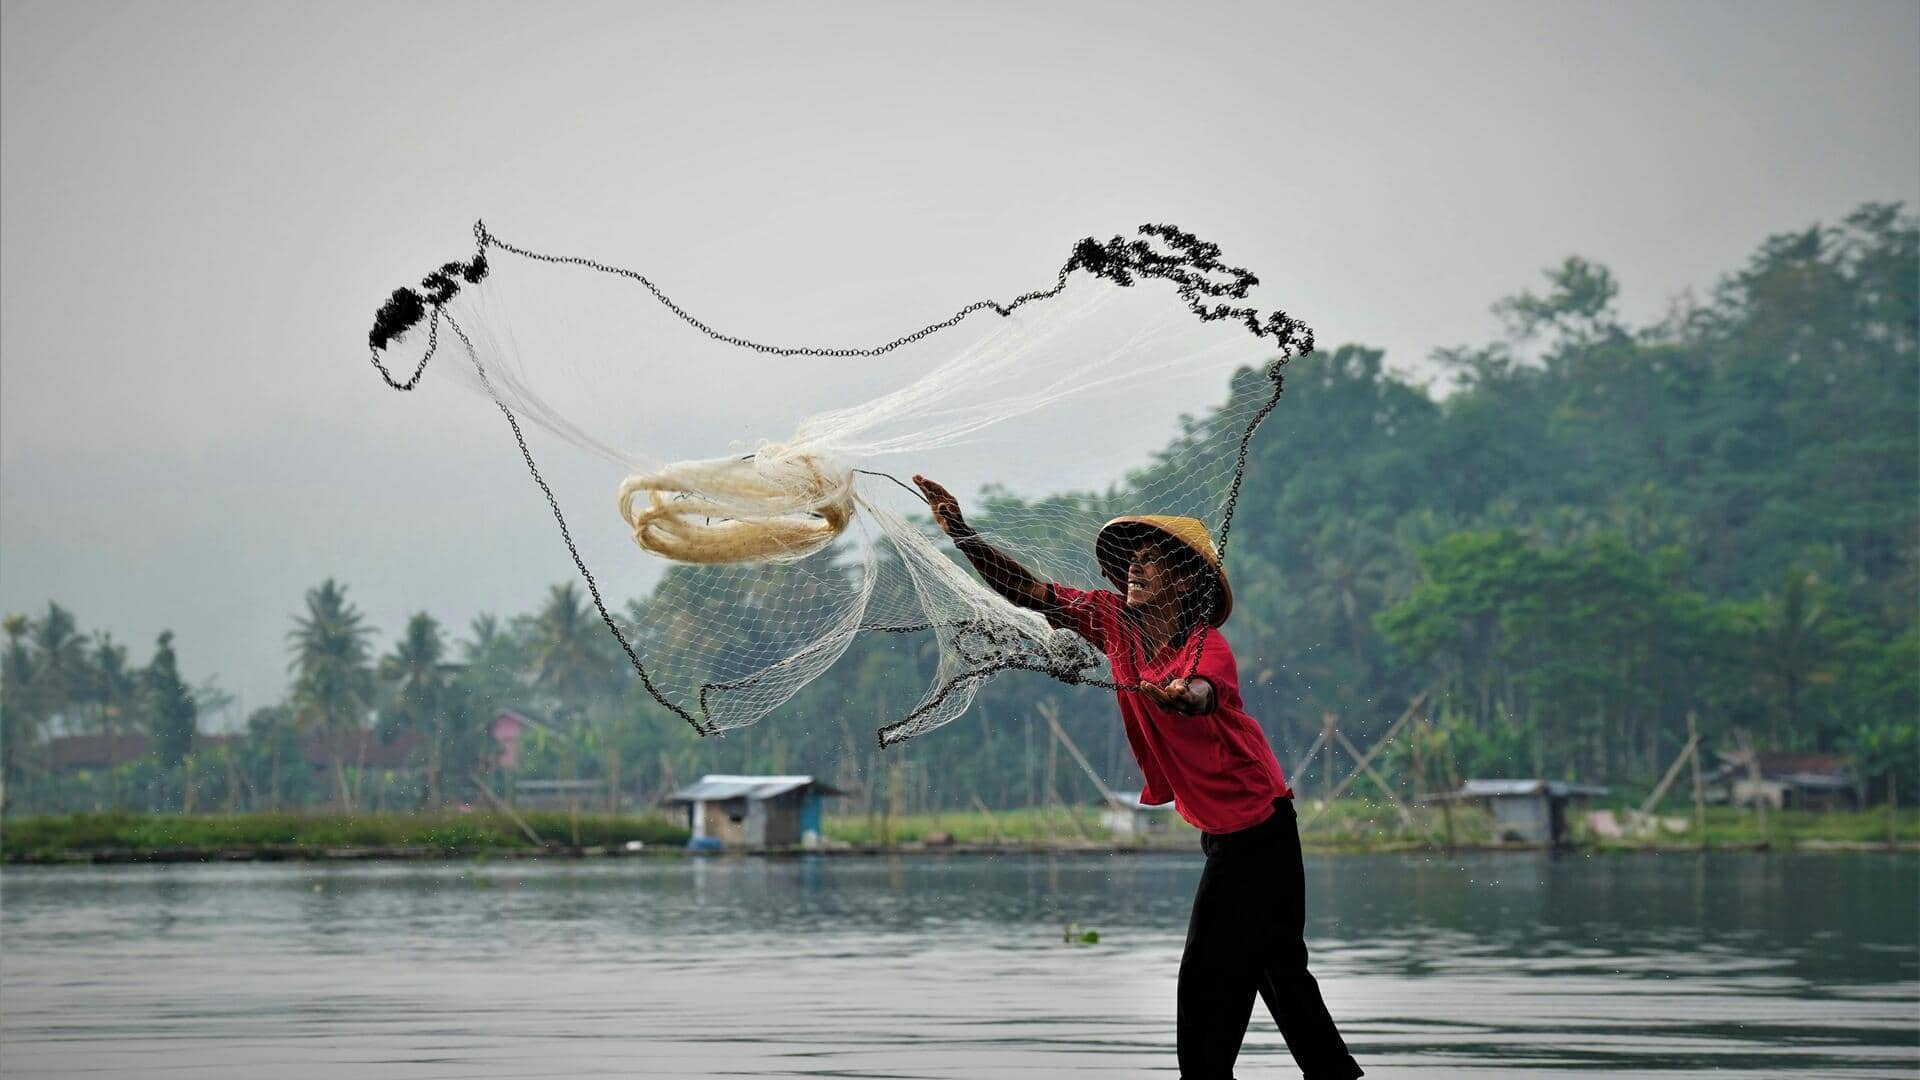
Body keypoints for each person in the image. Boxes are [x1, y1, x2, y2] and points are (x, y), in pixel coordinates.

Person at [913, 475, 1363, 1080]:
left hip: (1259, 831)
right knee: (1280, 971)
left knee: (1211, 974)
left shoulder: (1208, 646)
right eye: (1133, 559)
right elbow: (1031, 593)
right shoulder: (1112, 624)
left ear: (1182, 580)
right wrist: (963, 533)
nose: (1135, 569)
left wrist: (1184, 696)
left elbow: (1204, 693)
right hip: (1231, 834)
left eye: (1152, 561)